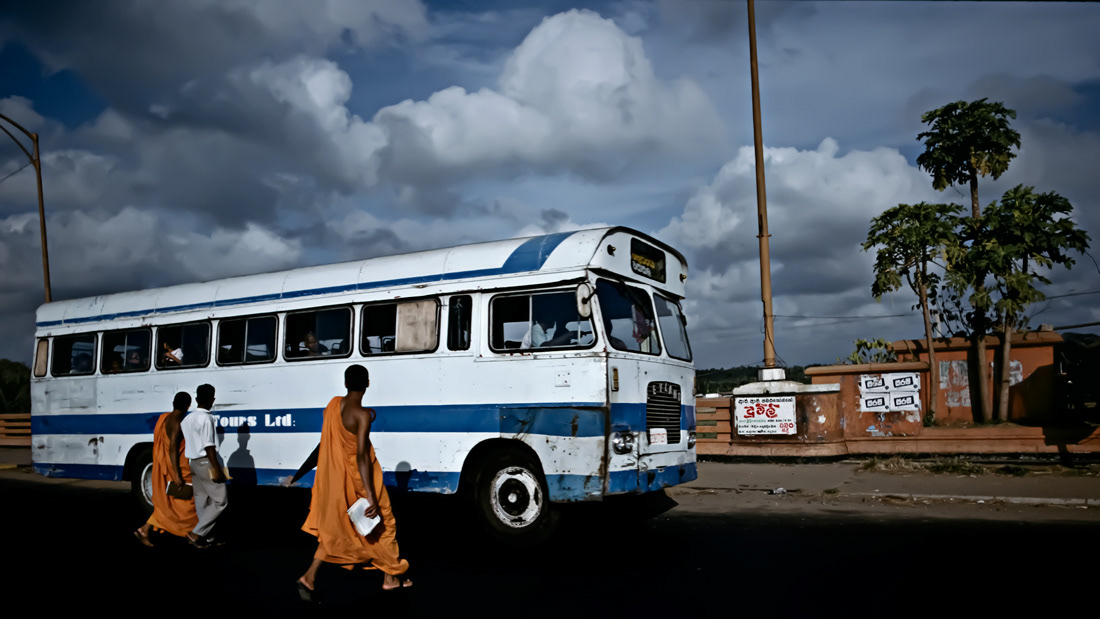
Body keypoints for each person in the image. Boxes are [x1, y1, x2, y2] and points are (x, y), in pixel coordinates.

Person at [297, 364, 411, 600]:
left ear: (345, 383)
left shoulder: (333, 405)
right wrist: (370, 494)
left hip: (339, 481)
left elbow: (327, 442)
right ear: (368, 384)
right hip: (362, 479)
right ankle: (390, 578)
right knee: (384, 523)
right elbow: (361, 456)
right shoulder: (362, 416)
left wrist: (299, 473)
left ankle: (309, 576)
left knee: (336, 529)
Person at [134, 392, 199, 546]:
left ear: (173, 403)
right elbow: (172, 449)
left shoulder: (164, 418)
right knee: (190, 504)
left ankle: (144, 530)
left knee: (168, 505)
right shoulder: (176, 423)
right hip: (177, 468)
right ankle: (194, 535)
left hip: (169, 466)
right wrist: (177, 475)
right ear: (188, 406)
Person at [180, 383, 227, 548]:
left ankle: (208, 537)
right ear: (213, 400)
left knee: (202, 502)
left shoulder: (187, 419)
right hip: (206, 462)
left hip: (193, 463)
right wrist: (217, 469)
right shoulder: (207, 418)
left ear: (196, 399)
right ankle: (196, 534)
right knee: (221, 501)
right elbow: (209, 446)